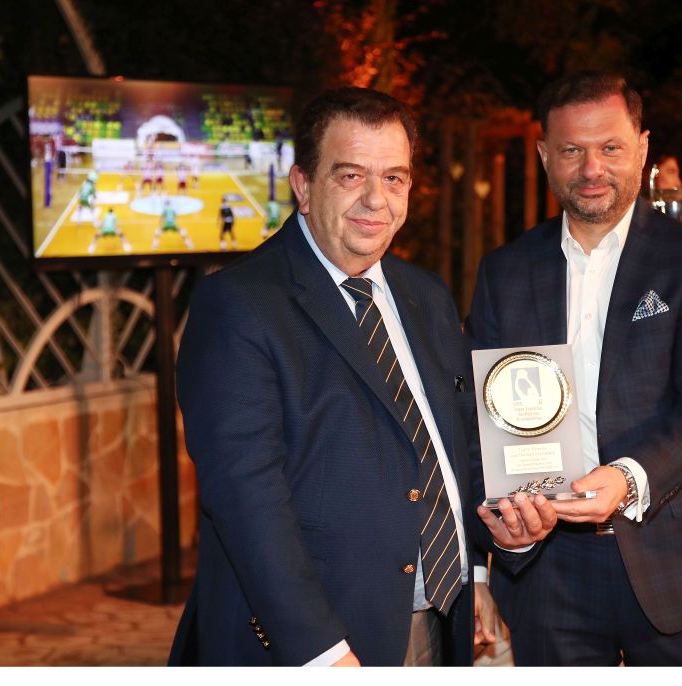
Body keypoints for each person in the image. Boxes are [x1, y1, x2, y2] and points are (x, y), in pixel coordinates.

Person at [169, 87, 522, 667]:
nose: (375, 199)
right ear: (304, 186)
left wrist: (476, 569)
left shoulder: (427, 295)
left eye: (394, 178)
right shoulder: (237, 305)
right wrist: (322, 651)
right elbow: (247, 501)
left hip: (440, 620)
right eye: (351, 175)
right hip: (319, 645)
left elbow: (456, 448)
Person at [466, 71, 682, 666]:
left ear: (642, 149)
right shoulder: (504, 271)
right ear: (545, 155)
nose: (592, 169)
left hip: (676, 555)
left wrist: (626, 478)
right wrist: (486, 550)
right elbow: (477, 419)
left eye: (610, 148)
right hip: (547, 570)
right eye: (572, 150)